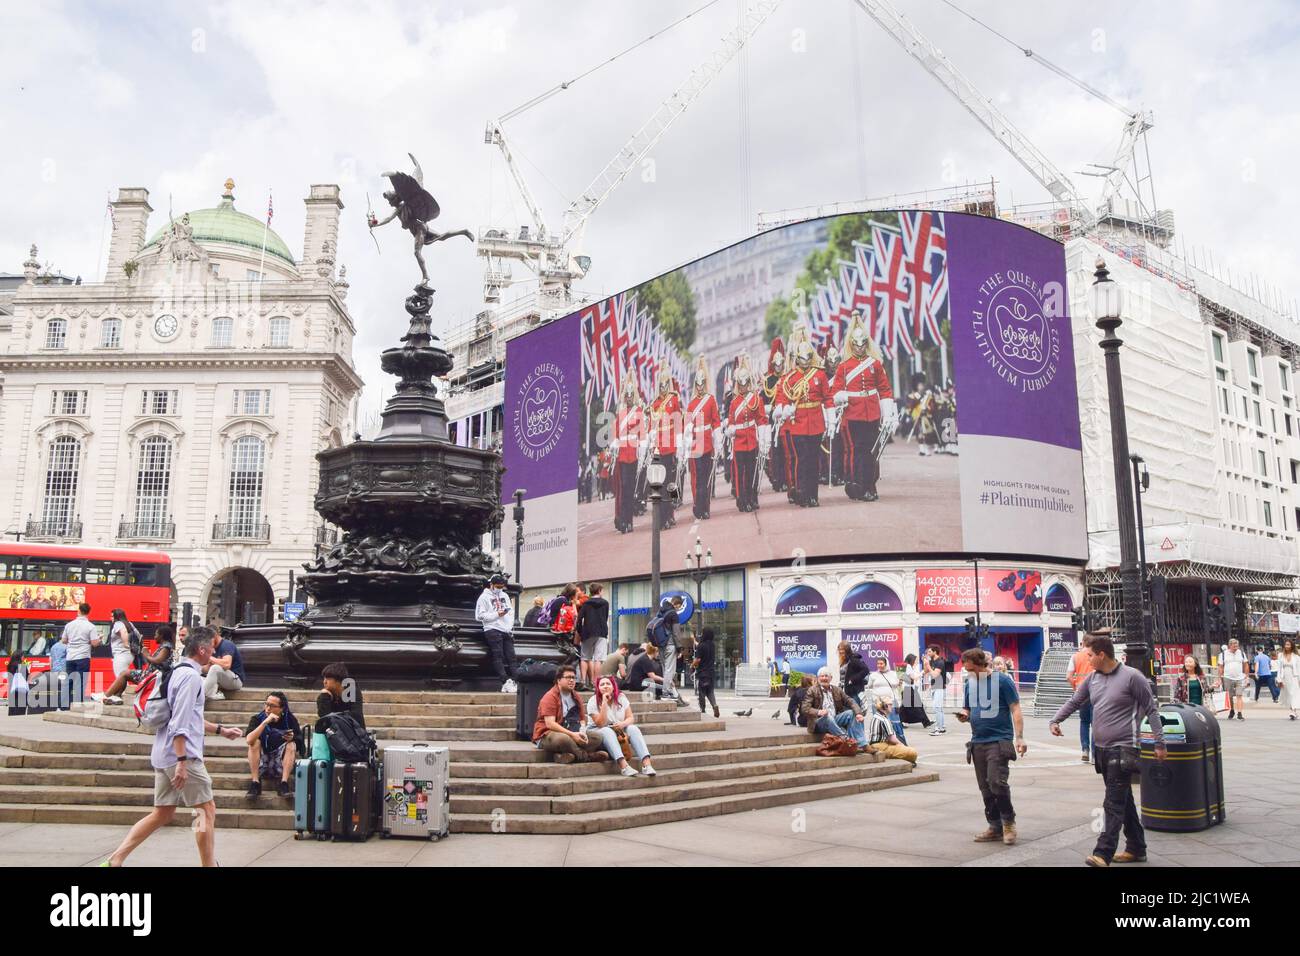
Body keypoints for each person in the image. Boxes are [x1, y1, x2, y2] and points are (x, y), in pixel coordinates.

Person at [101, 627, 244, 867]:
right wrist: (182, 762)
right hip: (182, 755)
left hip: (163, 752)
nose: (213, 651)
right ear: (201, 649)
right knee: (205, 810)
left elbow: (188, 716)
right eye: (211, 647)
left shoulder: (177, 671)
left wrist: (220, 730)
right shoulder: (190, 677)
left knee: (163, 813)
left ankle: (116, 859)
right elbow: (180, 722)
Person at [1050, 633, 1166, 867]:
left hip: (1123, 749)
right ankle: (1136, 848)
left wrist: (1159, 742)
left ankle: (1103, 853)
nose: (1088, 659)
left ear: (1102, 655)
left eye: (1090, 655)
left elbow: (1151, 710)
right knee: (1124, 799)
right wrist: (1055, 720)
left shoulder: (1133, 677)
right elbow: (1075, 701)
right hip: (1101, 749)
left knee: (1112, 803)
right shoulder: (1092, 679)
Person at [957, 648, 1026, 846]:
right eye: (967, 669)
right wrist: (964, 714)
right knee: (985, 788)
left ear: (982, 665)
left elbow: (1015, 709)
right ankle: (994, 826)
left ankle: (1008, 823)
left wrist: (1020, 738)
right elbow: (968, 708)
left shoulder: (1003, 681)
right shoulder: (970, 683)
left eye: (971, 669)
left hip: (999, 740)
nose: (969, 673)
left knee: (997, 782)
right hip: (978, 740)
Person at [831, 311, 896, 501]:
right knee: (858, 451)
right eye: (856, 344)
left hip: (872, 413)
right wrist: (841, 396)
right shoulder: (844, 367)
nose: (860, 348)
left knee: (872, 450)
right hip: (854, 414)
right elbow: (835, 391)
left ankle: (871, 485)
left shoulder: (875, 364)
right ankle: (860, 484)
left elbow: (884, 389)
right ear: (851, 344)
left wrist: (888, 412)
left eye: (863, 344)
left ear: (866, 344)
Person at [773, 329, 833, 508]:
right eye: (802, 358)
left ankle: (813, 495)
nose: (805, 361)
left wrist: (830, 418)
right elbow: (782, 398)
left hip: (815, 422)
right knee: (801, 459)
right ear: (797, 358)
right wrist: (784, 409)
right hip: (798, 423)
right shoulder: (790, 378)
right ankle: (802, 492)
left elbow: (827, 398)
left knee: (814, 459)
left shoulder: (819, 375)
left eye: (808, 357)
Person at [531, 665, 609, 764]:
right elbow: (550, 724)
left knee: (597, 737)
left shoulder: (575, 696)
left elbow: (582, 719)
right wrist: (572, 735)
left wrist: (582, 732)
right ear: (558, 680)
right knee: (565, 739)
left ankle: (564, 756)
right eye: (568, 677)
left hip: (572, 730)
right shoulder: (550, 697)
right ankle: (587, 756)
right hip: (547, 734)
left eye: (573, 677)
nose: (572, 680)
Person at [586, 675, 658, 776]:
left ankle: (647, 765)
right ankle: (624, 767)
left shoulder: (621, 697)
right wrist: (604, 702)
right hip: (597, 731)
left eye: (608, 684)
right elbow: (600, 723)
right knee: (607, 731)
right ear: (598, 688)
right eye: (602, 684)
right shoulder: (593, 701)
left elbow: (630, 718)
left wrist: (622, 724)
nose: (605, 686)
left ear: (613, 686)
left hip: (618, 729)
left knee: (633, 728)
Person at [92, 624, 175, 705]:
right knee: (124, 674)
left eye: (156, 634)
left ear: (162, 636)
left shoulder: (166, 647)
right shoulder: (165, 646)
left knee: (124, 673)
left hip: (151, 677)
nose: (154, 637)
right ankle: (116, 697)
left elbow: (158, 661)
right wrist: (148, 655)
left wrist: (146, 655)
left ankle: (106, 695)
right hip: (152, 675)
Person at [244, 691, 300, 798]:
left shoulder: (289, 719)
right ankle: (255, 783)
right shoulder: (257, 719)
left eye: (272, 706)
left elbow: (300, 741)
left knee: (291, 744)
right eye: (266, 704)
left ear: (281, 708)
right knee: (254, 742)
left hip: (280, 762)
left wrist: (292, 737)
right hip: (262, 762)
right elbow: (249, 740)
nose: (268, 708)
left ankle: (284, 783)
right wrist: (265, 722)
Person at [685, 356, 721, 520]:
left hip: (707, 442)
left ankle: (705, 508)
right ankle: (698, 506)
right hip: (695, 444)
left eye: (701, 384)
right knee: (698, 477)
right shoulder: (691, 404)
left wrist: (718, 441)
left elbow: (716, 422)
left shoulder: (711, 400)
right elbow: (687, 425)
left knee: (706, 477)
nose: (699, 387)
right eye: (697, 384)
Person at [800, 667, 868, 750]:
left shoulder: (837, 690)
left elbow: (850, 701)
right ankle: (847, 740)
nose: (824, 678)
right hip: (818, 722)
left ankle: (863, 744)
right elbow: (805, 708)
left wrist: (858, 713)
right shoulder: (812, 690)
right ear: (818, 678)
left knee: (851, 713)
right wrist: (818, 712)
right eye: (822, 676)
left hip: (834, 719)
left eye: (826, 676)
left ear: (831, 678)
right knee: (827, 717)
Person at [475, 573, 517, 693]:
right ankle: (505, 681)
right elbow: (479, 616)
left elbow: (510, 612)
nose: (500, 589)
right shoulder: (483, 597)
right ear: (491, 585)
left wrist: (509, 626)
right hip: (492, 629)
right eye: (497, 586)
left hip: (506, 629)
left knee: (511, 656)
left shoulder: (505, 596)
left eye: (501, 587)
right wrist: (497, 615)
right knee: (498, 655)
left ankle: (516, 681)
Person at [60, 602, 100, 704]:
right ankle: (78, 705)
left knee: (68, 682)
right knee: (80, 682)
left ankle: (63, 706)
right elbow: (95, 644)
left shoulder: (69, 625)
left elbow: (64, 640)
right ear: (88, 612)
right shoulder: (91, 626)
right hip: (83, 657)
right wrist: (99, 639)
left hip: (70, 657)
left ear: (79, 611)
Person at [1067, 637, 1096, 762]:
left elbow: (1068, 676)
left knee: (1084, 722)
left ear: (1082, 643)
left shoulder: (1075, 657)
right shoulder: (1095, 656)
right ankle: (1095, 754)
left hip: (1081, 693)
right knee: (1096, 723)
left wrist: (1076, 687)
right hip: (1095, 692)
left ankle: (1085, 750)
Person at [576, 583, 610, 689]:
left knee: (585, 657)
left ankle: (582, 680)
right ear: (599, 590)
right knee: (598, 659)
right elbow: (605, 618)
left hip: (588, 633)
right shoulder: (605, 603)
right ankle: (595, 682)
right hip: (601, 632)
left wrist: (581, 632)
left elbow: (579, 618)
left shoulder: (586, 604)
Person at [866, 697, 918, 764]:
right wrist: (902, 745)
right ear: (885, 706)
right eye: (890, 704)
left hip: (876, 745)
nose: (892, 706)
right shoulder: (884, 719)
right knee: (912, 752)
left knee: (900, 748)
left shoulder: (876, 716)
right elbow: (892, 739)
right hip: (880, 746)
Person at [317, 662, 366, 729]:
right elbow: (324, 717)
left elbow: (356, 715)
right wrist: (324, 697)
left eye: (328, 679)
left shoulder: (351, 691)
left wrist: (335, 717)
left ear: (338, 681)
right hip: (334, 733)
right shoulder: (326, 694)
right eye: (324, 678)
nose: (324, 682)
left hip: (354, 732)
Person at [202, 628, 245, 700]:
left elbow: (227, 664)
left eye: (208, 639)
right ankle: (209, 694)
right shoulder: (212, 648)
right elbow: (204, 670)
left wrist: (210, 658)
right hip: (221, 681)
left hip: (236, 680)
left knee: (215, 668)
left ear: (215, 636)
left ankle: (202, 696)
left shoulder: (226, 645)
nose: (207, 643)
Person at [897, 653, 932, 729]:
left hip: (908, 689)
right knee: (915, 706)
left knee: (907, 707)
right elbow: (914, 677)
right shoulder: (908, 666)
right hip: (908, 689)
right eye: (915, 660)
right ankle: (926, 722)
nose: (916, 662)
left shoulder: (907, 666)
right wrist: (922, 672)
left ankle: (926, 722)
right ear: (911, 659)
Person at [693, 627, 720, 718]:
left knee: (702, 692)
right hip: (711, 672)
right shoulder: (712, 645)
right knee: (710, 691)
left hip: (702, 673)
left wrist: (692, 665)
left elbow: (698, 659)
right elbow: (703, 648)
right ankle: (714, 705)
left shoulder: (701, 646)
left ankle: (703, 710)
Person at [924, 646, 950, 736]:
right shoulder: (932, 661)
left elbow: (935, 675)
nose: (928, 653)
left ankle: (939, 729)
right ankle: (941, 727)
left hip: (939, 687)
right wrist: (926, 663)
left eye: (930, 651)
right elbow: (926, 671)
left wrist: (928, 665)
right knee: (939, 708)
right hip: (935, 687)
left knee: (937, 708)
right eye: (927, 652)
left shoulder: (940, 662)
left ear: (935, 652)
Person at [1220, 637, 1248, 720]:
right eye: (1234, 645)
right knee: (1230, 696)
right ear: (1230, 645)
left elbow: (1246, 664)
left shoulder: (1242, 653)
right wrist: (1220, 677)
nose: (1236, 647)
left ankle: (1239, 713)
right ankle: (1232, 710)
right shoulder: (1223, 654)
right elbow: (1220, 667)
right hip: (1227, 677)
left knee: (1239, 695)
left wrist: (1246, 676)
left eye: (1237, 645)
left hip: (1240, 677)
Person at [108, 609, 137, 683]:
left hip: (121, 654)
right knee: (123, 677)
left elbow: (123, 631)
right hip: (130, 655)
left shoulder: (118, 623)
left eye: (112, 616)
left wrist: (126, 644)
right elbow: (138, 635)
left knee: (119, 678)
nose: (111, 618)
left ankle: (119, 694)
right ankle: (121, 693)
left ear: (117, 617)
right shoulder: (129, 624)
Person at [1276, 638, 1299, 721]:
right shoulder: (1280, 655)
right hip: (1284, 677)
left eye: (1288, 644)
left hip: (1294, 677)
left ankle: (1293, 711)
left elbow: (1299, 669)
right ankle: (1294, 712)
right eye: (1286, 644)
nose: (1287, 646)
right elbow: (1279, 669)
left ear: (1292, 646)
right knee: (1288, 694)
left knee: (1293, 694)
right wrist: (1279, 680)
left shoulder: (1296, 657)